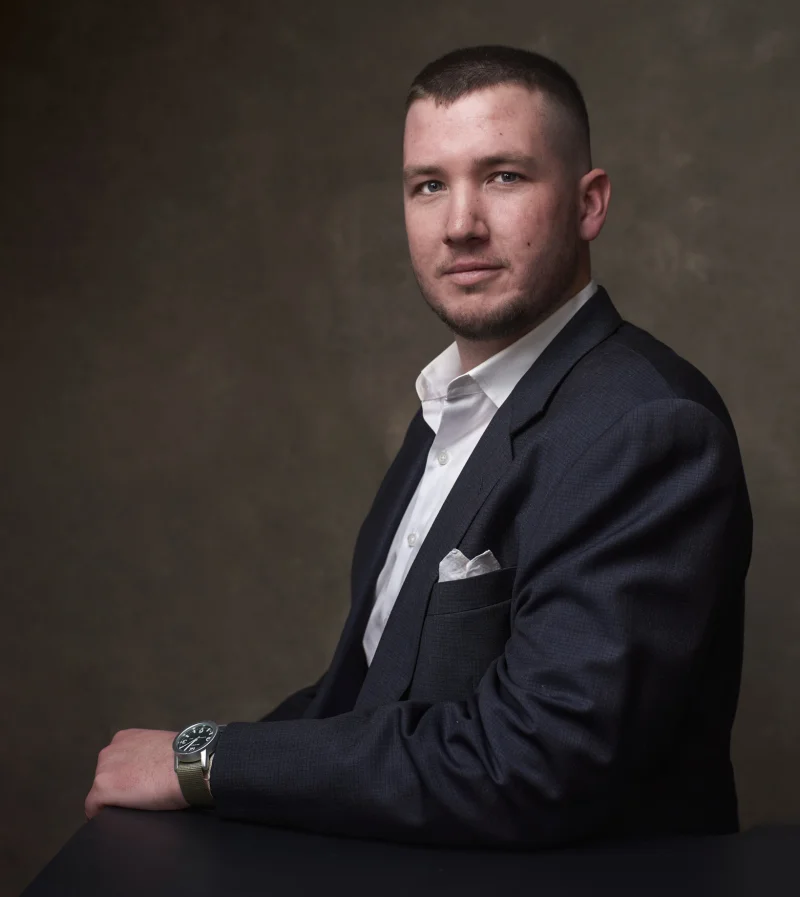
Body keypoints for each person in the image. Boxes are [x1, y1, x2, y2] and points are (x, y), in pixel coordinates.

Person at [85, 45, 752, 849]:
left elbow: (531, 761)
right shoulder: (452, 409)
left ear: (590, 204)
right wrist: (192, 770)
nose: (460, 223)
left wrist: (202, 759)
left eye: (504, 176)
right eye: (429, 184)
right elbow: (364, 696)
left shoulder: (648, 428)